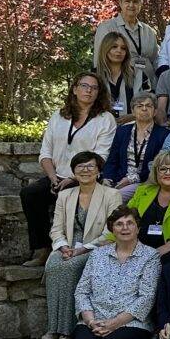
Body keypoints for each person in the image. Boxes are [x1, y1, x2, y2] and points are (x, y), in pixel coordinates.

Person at [69, 206, 162, 339]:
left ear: (138, 228)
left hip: (131, 323)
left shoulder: (150, 257)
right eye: (119, 224)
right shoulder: (98, 255)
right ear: (112, 229)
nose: (125, 228)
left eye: (130, 223)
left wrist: (113, 324)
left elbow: (146, 297)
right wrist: (91, 320)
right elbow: (82, 291)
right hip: (93, 319)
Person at [24, 73, 119, 263]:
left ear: (99, 92)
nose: (89, 90)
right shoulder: (58, 116)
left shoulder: (105, 118)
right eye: (84, 86)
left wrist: (73, 179)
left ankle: (67, 249)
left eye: (94, 87)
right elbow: (45, 152)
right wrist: (53, 178)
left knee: (67, 194)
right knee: (30, 194)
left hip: (86, 178)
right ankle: (42, 249)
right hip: (57, 175)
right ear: (74, 89)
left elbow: (100, 156)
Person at [42, 152, 114, 339]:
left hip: (96, 247)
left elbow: (110, 232)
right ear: (74, 171)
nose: (85, 170)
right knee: (53, 265)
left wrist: (82, 250)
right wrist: (63, 246)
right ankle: (53, 327)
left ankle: (67, 329)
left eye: (90, 166)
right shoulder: (65, 195)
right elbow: (56, 229)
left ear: (98, 171)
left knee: (70, 267)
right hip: (67, 246)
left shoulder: (111, 195)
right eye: (80, 167)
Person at [105, 93, 170, 199]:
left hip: (146, 182)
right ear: (133, 111)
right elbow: (112, 160)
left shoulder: (163, 135)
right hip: (119, 180)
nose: (144, 109)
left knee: (114, 198)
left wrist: (131, 179)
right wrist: (107, 179)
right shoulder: (122, 131)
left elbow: (157, 165)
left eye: (148, 106)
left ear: (155, 112)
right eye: (139, 106)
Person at [94, 0, 160, 81]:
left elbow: (156, 60)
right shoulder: (106, 28)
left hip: (149, 84)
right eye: (127, 1)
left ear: (141, 4)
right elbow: (99, 60)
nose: (131, 5)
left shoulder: (149, 31)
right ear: (120, 3)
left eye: (135, 2)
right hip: (121, 84)